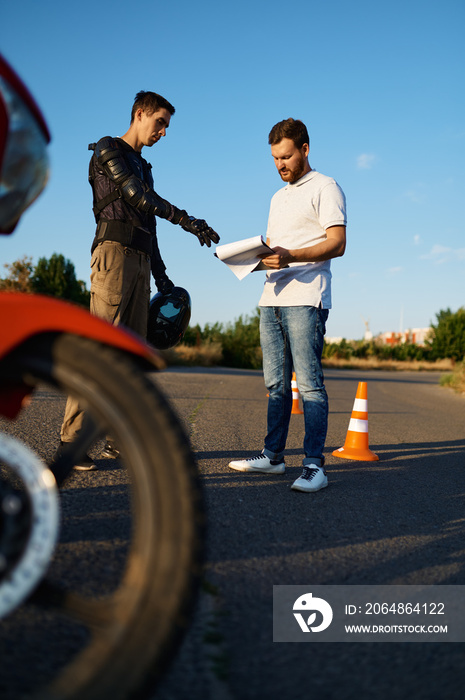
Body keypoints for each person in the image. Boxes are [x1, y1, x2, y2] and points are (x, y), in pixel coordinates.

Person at [56, 90, 219, 470]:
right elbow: (136, 196)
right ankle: (71, 442)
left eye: (166, 125)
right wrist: (187, 219)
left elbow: (149, 225)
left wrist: (162, 278)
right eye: (160, 122)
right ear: (141, 113)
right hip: (113, 255)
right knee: (100, 349)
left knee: (132, 355)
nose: (163, 131)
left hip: (142, 260)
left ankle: (116, 439)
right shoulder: (108, 149)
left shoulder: (145, 166)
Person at [229, 118, 346, 492]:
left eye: (286, 156)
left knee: (309, 385)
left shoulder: (326, 187)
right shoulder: (277, 197)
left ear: (305, 150)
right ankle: (273, 457)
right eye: (275, 158)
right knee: (276, 385)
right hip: (271, 298)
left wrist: (291, 255)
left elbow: (338, 243)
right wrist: (255, 259)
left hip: (306, 298)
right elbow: (276, 250)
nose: (280, 164)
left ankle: (314, 465)